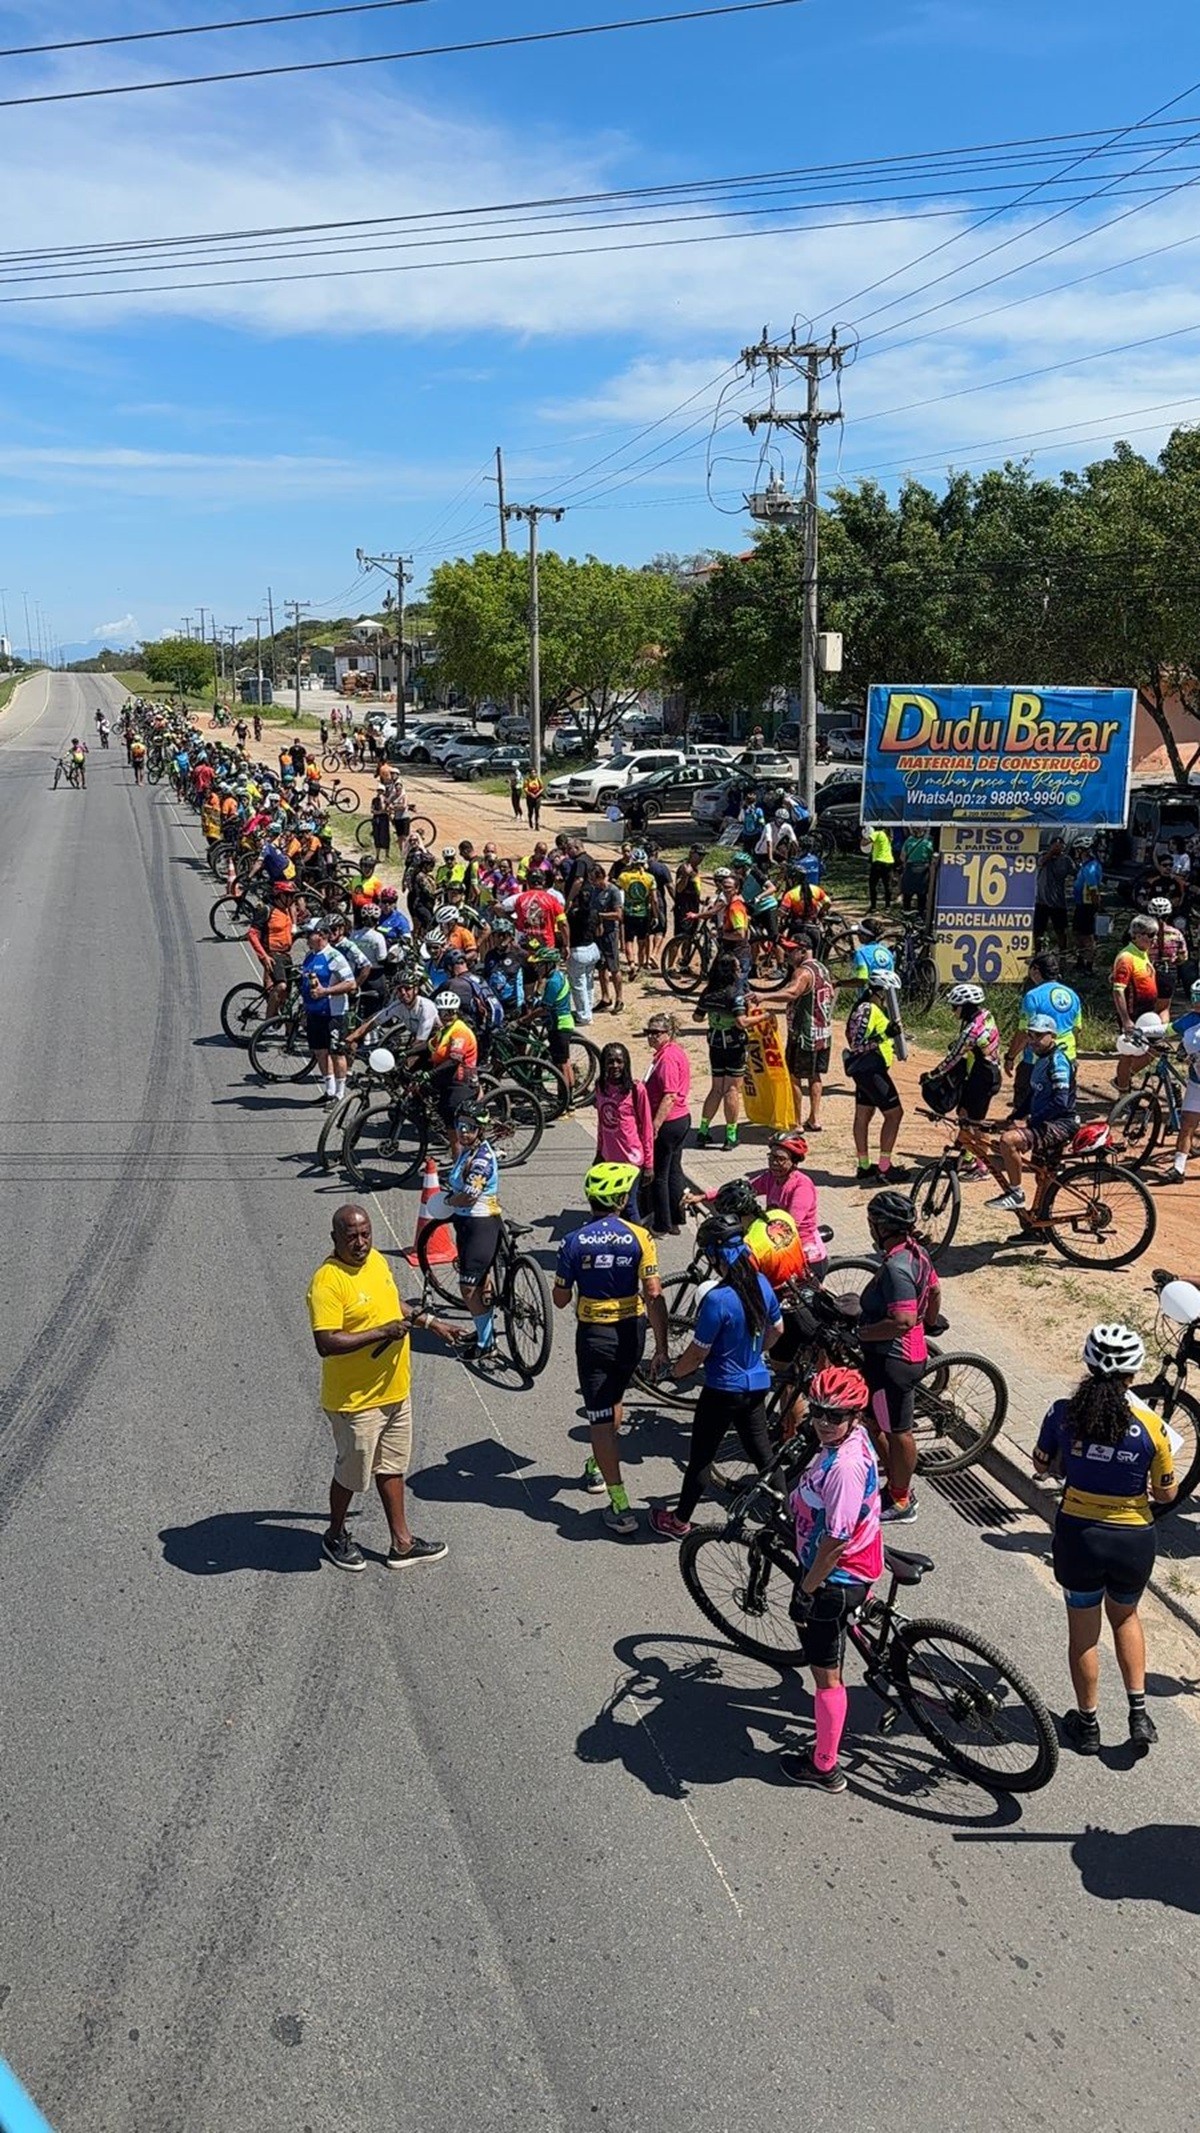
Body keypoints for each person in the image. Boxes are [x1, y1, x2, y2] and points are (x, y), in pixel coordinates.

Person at [1033, 1324, 1177, 1755]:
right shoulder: (1153, 1426)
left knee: (1083, 1635)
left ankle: (1088, 1724)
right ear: (1132, 1375)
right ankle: (1138, 1713)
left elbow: (1041, 1467)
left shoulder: (1061, 1413)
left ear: (1088, 1365)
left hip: (1079, 1535)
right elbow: (1168, 1493)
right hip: (1133, 1539)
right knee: (1126, 1618)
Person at [307, 1203, 454, 1571]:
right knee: (352, 1475)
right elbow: (326, 1342)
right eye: (351, 1236)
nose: (360, 1243)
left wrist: (432, 1323)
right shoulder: (327, 1282)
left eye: (365, 1234)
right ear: (334, 1239)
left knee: (392, 1466)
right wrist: (382, 1333)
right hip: (356, 1401)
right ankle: (335, 1534)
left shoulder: (376, 1263)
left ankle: (401, 1543)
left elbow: (393, 1304)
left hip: (394, 1391)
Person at [778, 1365, 883, 1792]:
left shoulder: (845, 1469)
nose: (823, 1422)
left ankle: (824, 1767)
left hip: (836, 1578)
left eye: (835, 1416)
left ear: (855, 1416)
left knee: (827, 1679)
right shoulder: (849, 1438)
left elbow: (836, 1541)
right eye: (818, 1410)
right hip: (857, 1558)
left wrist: (805, 1591)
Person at [648, 1215, 783, 1539]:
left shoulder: (717, 1300)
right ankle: (786, 1518)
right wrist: (753, 1356)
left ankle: (679, 1521)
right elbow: (777, 1330)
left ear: (715, 1256)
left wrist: (672, 1372)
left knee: (701, 1458)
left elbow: (696, 1354)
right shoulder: (762, 1284)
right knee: (764, 1456)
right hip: (756, 1385)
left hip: (722, 1391)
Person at [553, 1162, 668, 1536]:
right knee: (615, 1396)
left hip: (595, 1336)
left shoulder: (573, 1240)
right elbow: (653, 1294)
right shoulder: (640, 1235)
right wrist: (662, 1347)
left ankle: (620, 1504)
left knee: (599, 1419)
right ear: (621, 1199)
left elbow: (558, 1298)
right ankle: (595, 1463)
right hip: (633, 1332)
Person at [857, 1190, 940, 1524]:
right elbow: (934, 1291)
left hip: (896, 1360)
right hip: (894, 1356)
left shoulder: (896, 1267)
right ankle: (895, 1479)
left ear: (880, 1226)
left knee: (898, 1430)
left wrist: (862, 1333)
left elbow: (902, 1321)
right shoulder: (916, 1252)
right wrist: (931, 1322)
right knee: (874, 1422)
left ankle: (903, 1500)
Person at [988, 1012, 1078, 1212]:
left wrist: (1029, 1122)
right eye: (1030, 1035)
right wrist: (1012, 1118)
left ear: (1052, 1036)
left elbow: (1061, 1102)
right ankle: (1040, 1224)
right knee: (1043, 1176)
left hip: (1060, 1123)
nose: (1033, 1040)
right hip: (1047, 1122)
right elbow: (1033, 1096)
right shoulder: (1041, 1059)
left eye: (1039, 1035)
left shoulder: (1058, 1061)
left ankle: (1015, 1192)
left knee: (1009, 1141)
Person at [442, 1105, 504, 1363]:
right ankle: (484, 1332)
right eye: (460, 1126)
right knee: (478, 1285)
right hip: (468, 1225)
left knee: (468, 1288)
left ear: (480, 1130)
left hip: (480, 1226)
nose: (464, 1132)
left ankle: (486, 1344)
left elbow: (469, 1194)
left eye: (470, 1128)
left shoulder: (481, 1160)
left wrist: (448, 1203)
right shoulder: (469, 1151)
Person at [925, 982, 1001, 1175]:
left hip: (982, 1077)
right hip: (986, 1073)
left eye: (954, 1007)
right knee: (965, 1115)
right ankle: (967, 1157)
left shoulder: (971, 1030)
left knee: (975, 1122)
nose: (952, 1011)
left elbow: (952, 1059)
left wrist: (932, 1075)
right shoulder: (986, 1015)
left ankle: (981, 1164)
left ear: (965, 1006)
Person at [844, 970, 909, 1183]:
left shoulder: (875, 1009)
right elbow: (856, 1044)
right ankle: (884, 1167)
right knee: (894, 1114)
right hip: (870, 1071)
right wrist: (885, 1035)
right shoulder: (866, 1009)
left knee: (864, 1114)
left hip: (869, 1071)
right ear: (880, 992)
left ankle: (864, 1166)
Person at [1002, 951, 1082, 1112]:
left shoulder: (1033, 996)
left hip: (1036, 1059)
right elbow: (1076, 1030)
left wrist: (1010, 1056)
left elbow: (1024, 1033)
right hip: (1068, 1057)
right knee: (1062, 1102)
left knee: (1025, 1103)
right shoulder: (1072, 995)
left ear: (1036, 970)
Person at [693, 949, 753, 1151]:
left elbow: (697, 1017)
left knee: (716, 1088)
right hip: (734, 1046)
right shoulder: (735, 993)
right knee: (732, 1089)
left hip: (715, 1045)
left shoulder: (708, 991)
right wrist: (764, 1017)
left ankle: (702, 1131)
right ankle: (730, 1136)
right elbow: (741, 1021)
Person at [778, 928, 834, 1132]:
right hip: (823, 1033)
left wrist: (763, 996)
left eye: (791, 951)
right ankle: (814, 1118)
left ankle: (796, 1121)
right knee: (815, 1075)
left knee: (794, 1076)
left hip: (804, 1035)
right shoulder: (822, 968)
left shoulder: (802, 972)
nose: (787, 955)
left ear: (802, 951)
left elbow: (793, 992)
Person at [593, 1041, 654, 1221]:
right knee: (611, 1204)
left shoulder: (636, 1090)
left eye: (619, 1061)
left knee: (629, 1205)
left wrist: (649, 1164)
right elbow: (601, 1123)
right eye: (610, 1061)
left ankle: (640, 1243)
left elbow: (647, 1128)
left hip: (632, 1159)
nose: (615, 1066)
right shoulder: (600, 1087)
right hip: (609, 1158)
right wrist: (599, 1152)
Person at [644, 1012, 691, 1234]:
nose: (651, 1037)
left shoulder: (668, 1058)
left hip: (670, 1122)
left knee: (660, 1175)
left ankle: (662, 1223)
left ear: (668, 1033)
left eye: (656, 1033)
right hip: (679, 1120)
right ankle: (675, 1219)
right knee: (673, 1170)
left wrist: (655, 1124)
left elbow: (670, 1094)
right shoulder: (669, 1052)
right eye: (648, 1032)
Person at [300, 916, 356, 1103]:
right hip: (314, 1012)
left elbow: (351, 984)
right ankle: (329, 1091)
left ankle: (340, 1094)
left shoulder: (334, 956)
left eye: (310, 934)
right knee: (319, 1052)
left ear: (322, 935)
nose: (306, 937)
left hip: (333, 1012)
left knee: (336, 1052)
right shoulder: (309, 956)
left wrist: (326, 991)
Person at [1112, 918, 1161, 1092]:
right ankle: (1123, 1093)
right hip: (1132, 1013)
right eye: (1151, 935)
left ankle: (1123, 1080)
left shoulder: (1143, 953)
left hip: (1146, 1013)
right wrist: (1126, 1020)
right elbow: (1118, 990)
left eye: (1156, 935)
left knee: (1156, 1048)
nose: (1154, 939)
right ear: (1137, 936)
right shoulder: (1127, 957)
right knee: (1128, 1054)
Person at [1166, 978, 1200, 1180]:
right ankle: (1178, 1168)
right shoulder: (1189, 1019)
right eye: (1194, 996)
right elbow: (1166, 1030)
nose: (1196, 1002)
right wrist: (1140, 1031)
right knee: (1187, 1123)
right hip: (1197, 1083)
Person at [564, 861, 602, 1025]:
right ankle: (588, 1010)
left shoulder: (572, 915)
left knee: (578, 984)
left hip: (578, 950)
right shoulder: (594, 913)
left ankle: (583, 1015)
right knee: (588, 982)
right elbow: (599, 931)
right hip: (593, 949)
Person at [619, 847, 658, 977]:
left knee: (628, 941)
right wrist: (656, 916)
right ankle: (641, 966)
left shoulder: (624, 877)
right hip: (643, 913)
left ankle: (631, 964)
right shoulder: (650, 878)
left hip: (629, 912)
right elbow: (654, 900)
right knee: (642, 941)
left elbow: (620, 890)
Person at [592, 863, 624, 1014]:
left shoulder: (613, 891)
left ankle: (620, 999)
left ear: (601, 877)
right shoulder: (594, 890)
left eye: (594, 880)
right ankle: (605, 998)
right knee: (601, 966)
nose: (593, 883)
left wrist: (600, 916)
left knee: (614, 967)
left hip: (610, 933)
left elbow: (618, 915)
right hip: (597, 933)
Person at [1071, 842, 1104, 973]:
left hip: (1088, 906)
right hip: (1080, 904)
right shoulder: (1084, 865)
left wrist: (1097, 906)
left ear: (1082, 851)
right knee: (1077, 933)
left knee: (1088, 936)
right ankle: (1080, 960)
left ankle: (1089, 966)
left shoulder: (1091, 867)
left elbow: (1093, 890)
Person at [1034, 835, 1070, 951]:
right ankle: (1038, 952)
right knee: (1038, 930)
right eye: (1055, 845)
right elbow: (1040, 863)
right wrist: (1051, 854)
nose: (1057, 848)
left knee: (1061, 930)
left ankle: (1062, 953)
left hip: (1058, 901)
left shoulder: (1066, 860)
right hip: (1042, 900)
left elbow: (1075, 872)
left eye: (1060, 846)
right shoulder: (1043, 855)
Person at [898, 829, 933, 913]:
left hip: (911, 869)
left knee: (907, 893)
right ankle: (920, 914)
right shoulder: (929, 841)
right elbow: (932, 857)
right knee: (922, 894)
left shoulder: (909, 840)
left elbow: (902, 857)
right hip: (924, 869)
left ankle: (906, 913)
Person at [867, 824, 895, 910]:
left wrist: (865, 835)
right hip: (889, 862)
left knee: (873, 885)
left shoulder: (877, 833)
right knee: (887, 885)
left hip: (878, 862)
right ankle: (888, 906)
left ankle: (873, 906)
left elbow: (865, 842)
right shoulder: (888, 835)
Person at [370, 791, 391, 863]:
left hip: (384, 819)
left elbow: (386, 809)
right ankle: (377, 856)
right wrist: (380, 812)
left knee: (385, 837)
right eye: (378, 791)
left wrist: (382, 800)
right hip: (376, 819)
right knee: (377, 837)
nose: (379, 793)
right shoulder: (374, 800)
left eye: (381, 791)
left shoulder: (386, 800)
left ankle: (387, 856)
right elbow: (372, 810)